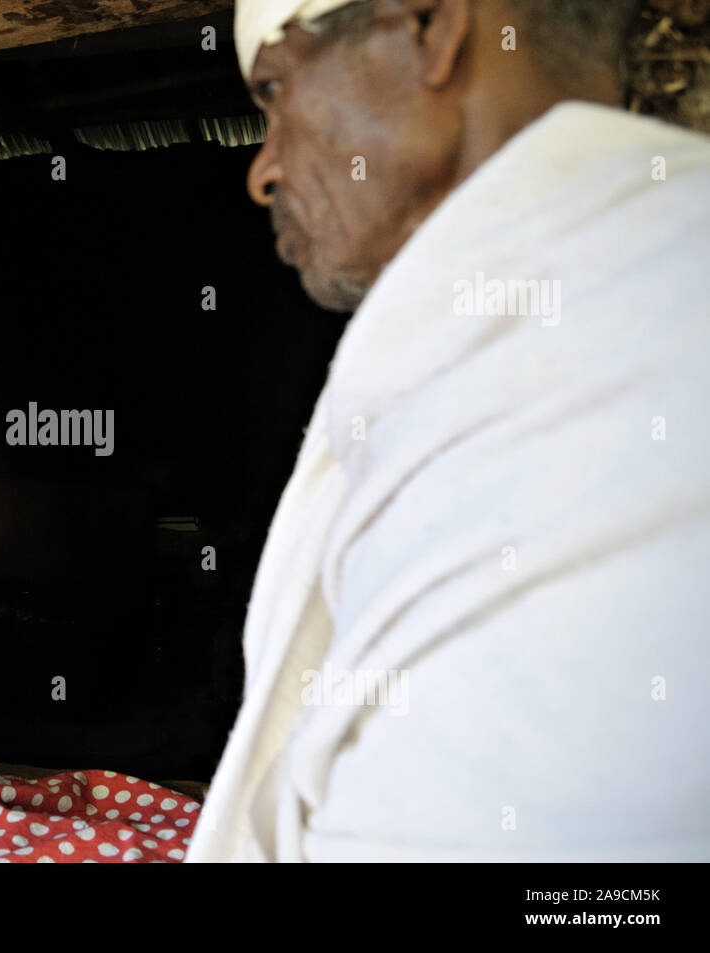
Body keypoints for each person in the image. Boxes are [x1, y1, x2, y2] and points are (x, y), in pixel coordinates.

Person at [188, 0, 710, 861]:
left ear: (432, 28)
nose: (265, 169)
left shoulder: (646, 318)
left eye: (276, 90)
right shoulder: (535, 322)